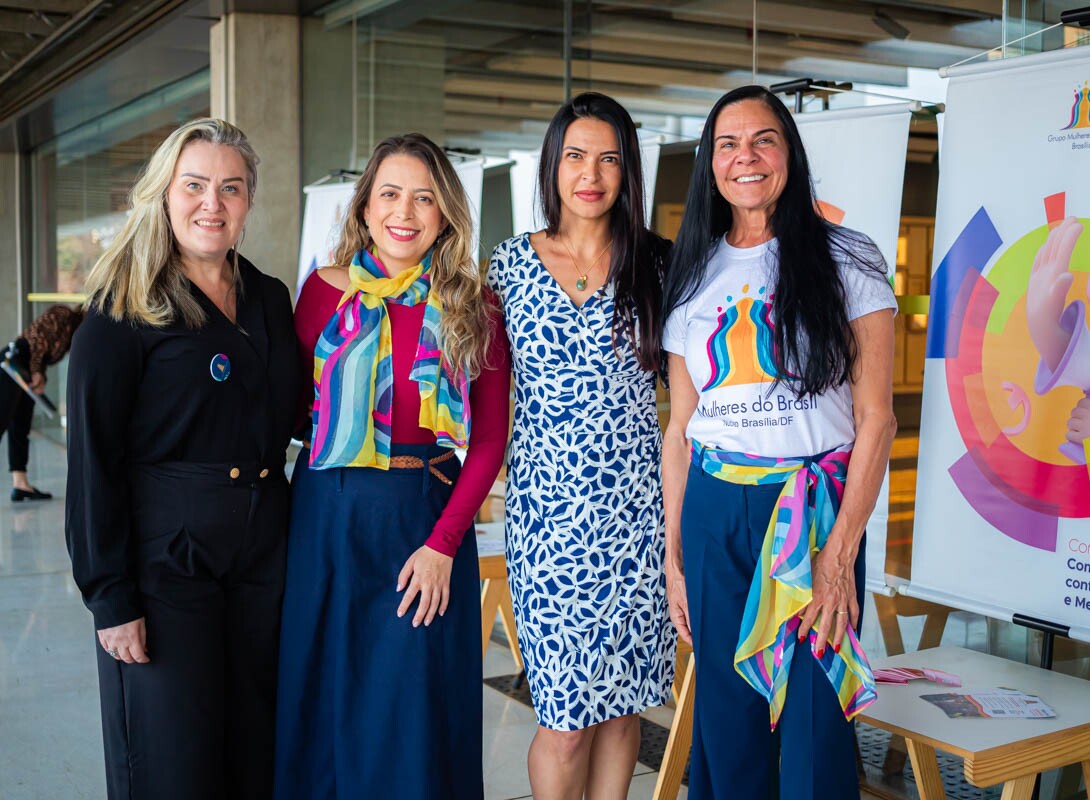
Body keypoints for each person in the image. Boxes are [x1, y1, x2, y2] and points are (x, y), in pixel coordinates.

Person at [661, 85, 897, 799]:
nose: (746, 157)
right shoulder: (693, 270)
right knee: (727, 719)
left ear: (788, 151)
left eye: (763, 139)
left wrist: (841, 551)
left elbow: (877, 419)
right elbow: (678, 429)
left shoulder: (844, 256)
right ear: (710, 164)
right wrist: (674, 557)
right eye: (727, 144)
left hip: (815, 512)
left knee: (817, 719)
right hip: (713, 510)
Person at [65, 118, 298, 800]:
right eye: (194, 185)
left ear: (249, 200)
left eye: (230, 188)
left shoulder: (269, 297)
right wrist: (110, 597)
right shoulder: (121, 308)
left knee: (252, 751)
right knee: (174, 761)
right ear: (164, 194)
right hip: (167, 560)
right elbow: (93, 463)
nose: (212, 204)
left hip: (262, 558)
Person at [275, 133, 510, 800]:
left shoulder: (473, 303)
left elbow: (490, 441)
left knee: (414, 714)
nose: (404, 211)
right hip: (325, 517)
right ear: (365, 206)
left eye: (424, 197)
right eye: (389, 194)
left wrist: (443, 546)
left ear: (444, 213)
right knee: (324, 701)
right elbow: (288, 412)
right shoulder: (321, 292)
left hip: (422, 521)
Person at [487, 92, 675, 800]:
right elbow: (478, 394)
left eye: (608, 158)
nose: (590, 173)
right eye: (574, 156)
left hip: (636, 518)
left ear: (628, 171)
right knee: (565, 719)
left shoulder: (658, 266)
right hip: (548, 522)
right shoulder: (507, 267)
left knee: (623, 706)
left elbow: (687, 399)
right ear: (552, 165)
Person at [1, 303, 84, 500]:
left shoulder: (74, 335)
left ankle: (20, 484)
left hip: (27, 370)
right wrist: (37, 370)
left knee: (20, 427)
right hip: (14, 364)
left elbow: (43, 353)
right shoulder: (63, 314)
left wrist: (40, 376)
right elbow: (36, 339)